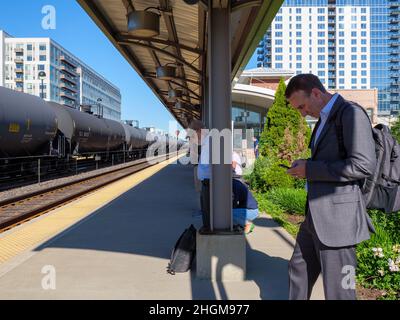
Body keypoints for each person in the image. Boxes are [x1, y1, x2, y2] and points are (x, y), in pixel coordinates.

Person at [284, 74, 376, 300]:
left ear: (316, 93)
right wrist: (306, 165)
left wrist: (311, 170)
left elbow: (363, 165)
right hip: (314, 216)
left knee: (340, 291)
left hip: (338, 222)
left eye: (302, 106)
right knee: (298, 269)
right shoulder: (323, 120)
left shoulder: (351, 113)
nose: (302, 113)